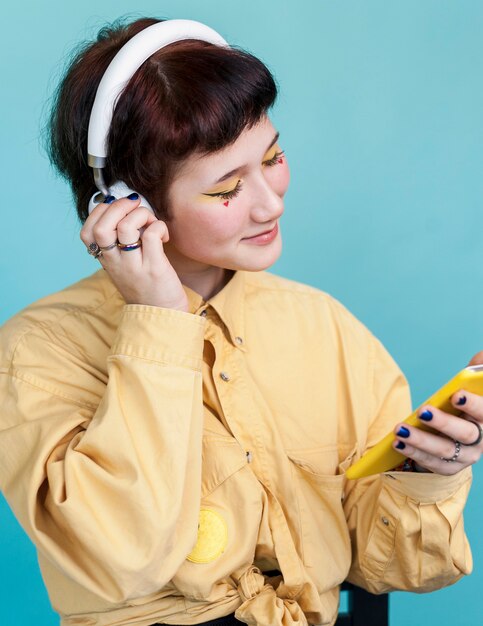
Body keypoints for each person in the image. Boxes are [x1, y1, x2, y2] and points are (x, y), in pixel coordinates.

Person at [0, 15, 482, 626]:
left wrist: (426, 474)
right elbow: (124, 560)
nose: (271, 201)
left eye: (274, 157)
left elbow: (385, 570)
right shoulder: (38, 353)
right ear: (126, 204)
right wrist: (157, 321)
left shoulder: (324, 325)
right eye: (227, 188)